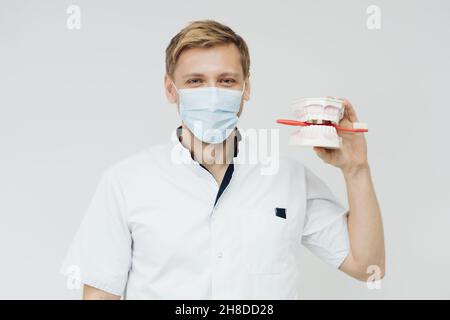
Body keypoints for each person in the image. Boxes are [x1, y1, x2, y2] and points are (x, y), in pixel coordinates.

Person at [61, 20, 385, 300]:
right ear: (171, 90)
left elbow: (366, 267)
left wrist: (356, 169)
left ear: (246, 88)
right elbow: (101, 294)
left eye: (227, 80)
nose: (213, 93)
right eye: (195, 81)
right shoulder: (125, 183)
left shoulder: (287, 177)